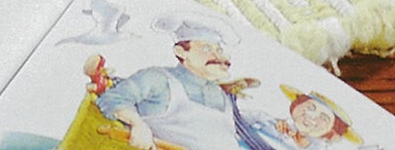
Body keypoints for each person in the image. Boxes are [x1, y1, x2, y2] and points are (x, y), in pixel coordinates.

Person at [96, 16, 267, 150]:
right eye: (206, 49)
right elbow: (113, 99)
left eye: (219, 50)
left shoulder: (221, 94)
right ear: (181, 52)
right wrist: (137, 125)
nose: (218, 57)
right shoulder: (159, 79)